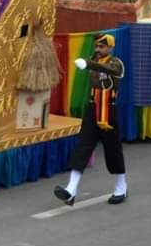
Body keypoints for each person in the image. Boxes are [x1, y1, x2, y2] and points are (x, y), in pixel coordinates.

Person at [54, 34, 128, 205]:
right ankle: (71, 190)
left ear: (110, 47)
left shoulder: (116, 62)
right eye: (96, 46)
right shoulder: (94, 60)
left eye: (102, 47)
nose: (98, 50)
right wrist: (89, 62)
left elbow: (113, 71)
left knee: (113, 150)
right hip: (93, 108)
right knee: (83, 146)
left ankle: (121, 186)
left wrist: (89, 64)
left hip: (109, 110)